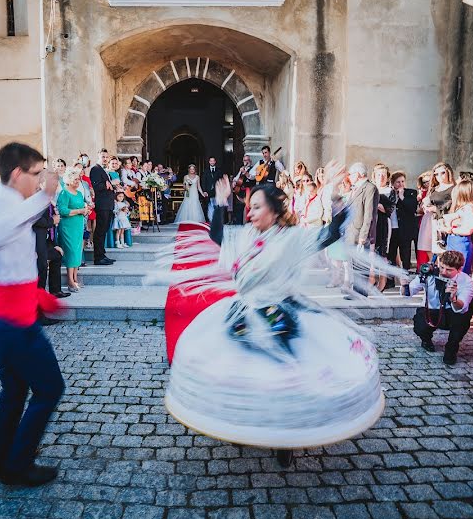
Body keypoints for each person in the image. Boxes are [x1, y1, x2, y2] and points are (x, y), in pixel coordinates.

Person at [163, 163, 388, 467]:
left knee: (285, 372)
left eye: (257, 207)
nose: (250, 212)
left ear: (274, 211)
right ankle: (241, 422)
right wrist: (219, 202)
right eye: (248, 207)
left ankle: (287, 441)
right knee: (242, 370)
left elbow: (331, 233)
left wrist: (334, 195)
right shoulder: (243, 235)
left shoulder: (291, 238)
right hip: (243, 311)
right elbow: (217, 236)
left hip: (281, 312)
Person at [0, 142, 64, 487]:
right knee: (50, 388)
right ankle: (17, 464)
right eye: (37, 174)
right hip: (11, 319)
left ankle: (2, 461)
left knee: (15, 391)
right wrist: (45, 197)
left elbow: (13, 262)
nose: (41, 182)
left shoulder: (11, 204)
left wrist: (38, 296)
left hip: (14, 310)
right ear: (17, 174)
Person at [409, 250, 473, 366]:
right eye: (441, 267)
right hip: (431, 310)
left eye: (449, 270)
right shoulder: (430, 273)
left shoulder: (466, 281)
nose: (444, 272)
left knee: (462, 319)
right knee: (420, 326)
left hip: (452, 312)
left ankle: (451, 349)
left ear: (459, 269)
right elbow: (410, 290)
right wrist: (406, 285)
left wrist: (453, 298)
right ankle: (426, 340)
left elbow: (463, 306)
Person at [57, 167, 90, 292]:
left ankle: (75, 278)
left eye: (79, 179)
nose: (78, 181)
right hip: (67, 226)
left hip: (78, 225)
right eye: (75, 179)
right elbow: (63, 211)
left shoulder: (80, 193)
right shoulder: (64, 193)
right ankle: (70, 281)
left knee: (77, 252)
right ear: (69, 180)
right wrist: (79, 211)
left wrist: (85, 210)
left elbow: (82, 207)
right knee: (70, 252)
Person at [32, 203, 70, 303]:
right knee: (42, 266)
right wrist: (52, 220)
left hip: (46, 240)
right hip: (34, 240)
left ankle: (55, 291)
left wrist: (54, 245)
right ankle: (39, 296)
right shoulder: (35, 198)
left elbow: (52, 225)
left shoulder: (49, 201)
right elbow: (35, 219)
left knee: (57, 255)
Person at [440, 180, 473, 274]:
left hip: (461, 243)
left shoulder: (470, 209)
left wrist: (451, 230)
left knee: (459, 271)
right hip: (453, 241)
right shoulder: (462, 208)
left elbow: (469, 230)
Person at [387, 171, 418, 272]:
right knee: (391, 253)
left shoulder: (411, 192)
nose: (401, 184)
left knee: (405, 253)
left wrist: (402, 197)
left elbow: (412, 208)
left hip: (405, 228)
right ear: (392, 183)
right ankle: (390, 279)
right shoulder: (389, 193)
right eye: (397, 182)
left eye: (402, 181)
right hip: (392, 227)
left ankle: (406, 274)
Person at [89, 149, 116, 266]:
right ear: (98, 156)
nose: (105, 158)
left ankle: (102, 254)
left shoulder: (105, 170)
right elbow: (96, 186)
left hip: (108, 204)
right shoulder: (95, 169)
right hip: (102, 204)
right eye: (103, 156)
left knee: (104, 230)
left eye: (106, 157)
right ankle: (98, 257)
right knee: (100, 231)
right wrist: (107, 186)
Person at [423, 162, 455, 259]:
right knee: (433, 250)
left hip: (446, 222)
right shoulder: (434, 189)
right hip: (433, 221)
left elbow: (453, 207)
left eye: (443, 173)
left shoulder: (454, 188)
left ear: (448, 172)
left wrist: (435, 209)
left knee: (445, 251)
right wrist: (426, 206)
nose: (439, 176)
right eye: (436, 174)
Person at [345, 162, 378, 250]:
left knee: (360, 263)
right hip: (350, 233)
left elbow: (369, 214)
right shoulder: (354, 188)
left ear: (359, 174)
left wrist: (363, 236)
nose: (349, 177)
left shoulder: (370, 188)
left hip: (360, 235)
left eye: (351, 174)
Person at [201, 156, 222, 222]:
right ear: (209, 162)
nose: (212, 162)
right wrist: (204, 191)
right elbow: (203, 181)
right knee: (207, 205)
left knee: (217, 205)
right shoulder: (206, 171)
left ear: (215, 162)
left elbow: (221, 180)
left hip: (216, 191)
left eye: (213, 161)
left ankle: (216, 219)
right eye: (211, 161)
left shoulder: (219, 170)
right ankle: (208, 219)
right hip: (208, 191)